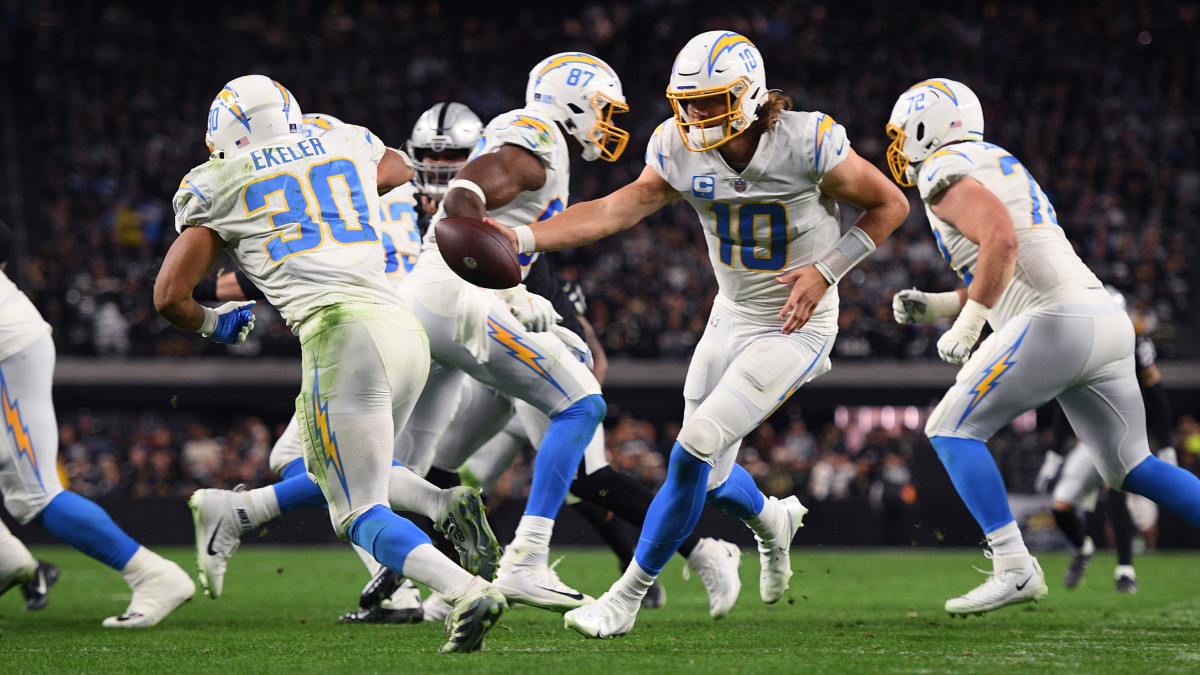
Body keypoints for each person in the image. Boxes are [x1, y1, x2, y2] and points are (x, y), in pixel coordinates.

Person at [490, 31, 909, 638]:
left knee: (693, 448)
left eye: (711, 102)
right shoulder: (676, 146)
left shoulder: (807, 140)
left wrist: (825, 270)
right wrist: (521, 237)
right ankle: (770, 519)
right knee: (706, 473)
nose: (695, 114)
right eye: (687, 101)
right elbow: (616, 209)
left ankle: (626, 597)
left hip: (795, 324)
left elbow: (889, 204)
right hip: (729, 315)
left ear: (749, 96)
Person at [154, 76, 504, 653]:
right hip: (405, 331)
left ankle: (464, 590)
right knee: (350, 468)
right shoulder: (336, 140)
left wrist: (218, 323)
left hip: (342, 335)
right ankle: (440, 501)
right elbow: (395, 168)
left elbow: (170, 296)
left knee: (357, 510)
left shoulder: (215, 181)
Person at [886, 77, 1200, 617]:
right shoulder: (998, 160)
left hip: (1057, 320)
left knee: (950, 428)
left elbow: (1003, 242)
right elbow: (1015, 258)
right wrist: (943, 304)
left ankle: (1013, 567)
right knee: (1133, 467)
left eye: (901, 133)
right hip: (1102, 315)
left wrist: (969, 324)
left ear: (924, 126)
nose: (898, 147)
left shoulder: (941, 167)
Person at [395, 52, 627, 614]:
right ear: (571, 104)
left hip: (423, 301)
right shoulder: (538, 139)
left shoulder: (533, 138)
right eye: (600, 108)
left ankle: (446, 589)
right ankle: (527, 560)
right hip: (462, 301)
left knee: (402, 467)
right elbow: (465, 195)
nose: (607, 121)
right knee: (581, 403)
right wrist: (505, 286)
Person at [0, 221, 194, 627]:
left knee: (36, 494)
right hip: (17, 341)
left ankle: (154, 576)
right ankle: (10, 562)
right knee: (28, 492)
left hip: (9, 350)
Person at [1034, 287, 1178, 593]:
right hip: (1089, 441)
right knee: (1060, 507)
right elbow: (1066, 404)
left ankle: (1125, 570)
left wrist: (1165, 446)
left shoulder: (1137, 346)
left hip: (1124, 436)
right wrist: (1054, 455)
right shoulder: (1080, 347)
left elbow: (1157, 398)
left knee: (1115, 492)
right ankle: (1082, 548)